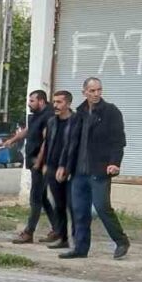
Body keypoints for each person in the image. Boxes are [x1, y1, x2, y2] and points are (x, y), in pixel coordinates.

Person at [59, 77, 130, 260]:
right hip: (79, 173)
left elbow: (118, 142)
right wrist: (64, 166)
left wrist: (115, 163)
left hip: (100, 170)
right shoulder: (79, 114)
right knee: (80, 212)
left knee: (102, 207)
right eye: (92, 91)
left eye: (99, 90)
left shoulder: (111, 112)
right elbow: (71, 144)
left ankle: (121, 241)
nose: (96, 94)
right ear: (84, 92)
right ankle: (81, 249)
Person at [7, 90, 60, 245]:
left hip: (42, 163)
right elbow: (29, 130)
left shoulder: (49, 116)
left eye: (32, 101)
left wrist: (39, 161)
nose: (29, 103)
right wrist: (13, 140)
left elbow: (47, 140)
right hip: (34, 162)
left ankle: (29, 232)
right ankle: (58, 229)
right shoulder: (36, 115)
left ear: (41, 101)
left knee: (35, 198)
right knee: (42, 198)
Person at [39, 90, 77, 250]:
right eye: (54, 102)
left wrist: (68, 168)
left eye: (59, 102)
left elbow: (75, 146)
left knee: (73, 206)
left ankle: (78, 240)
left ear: (68, 103)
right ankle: (63, 238)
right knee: (59, 205)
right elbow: (47, 143)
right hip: (52, 168)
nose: (55, 105)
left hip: (70, 168)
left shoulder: (76, 121)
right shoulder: (52, 121)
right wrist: (45, 163)